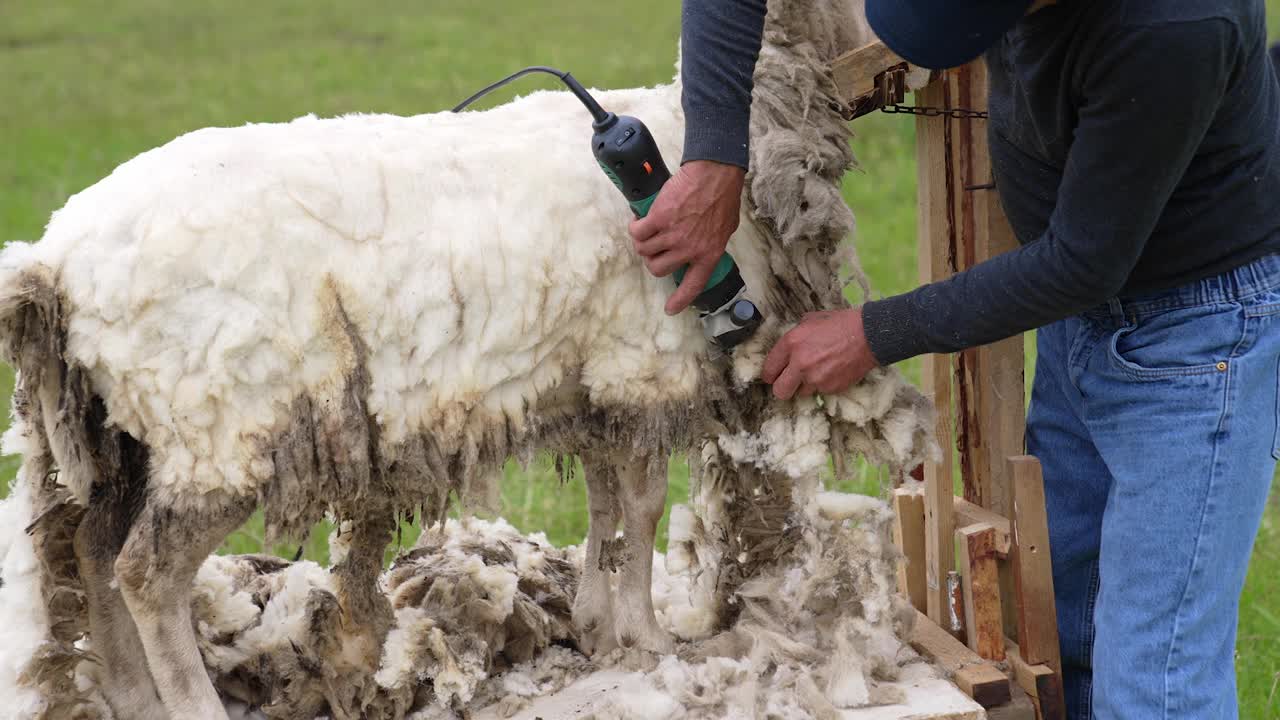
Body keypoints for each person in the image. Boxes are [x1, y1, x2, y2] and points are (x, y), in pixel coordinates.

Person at [630, 0, 1280, 717]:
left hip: (1194, 339)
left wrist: (871, 332)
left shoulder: (1179, 25)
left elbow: (1083, 261)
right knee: (1062, 626)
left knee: (1155, 677)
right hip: (1082, 321)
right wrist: (716, 156)